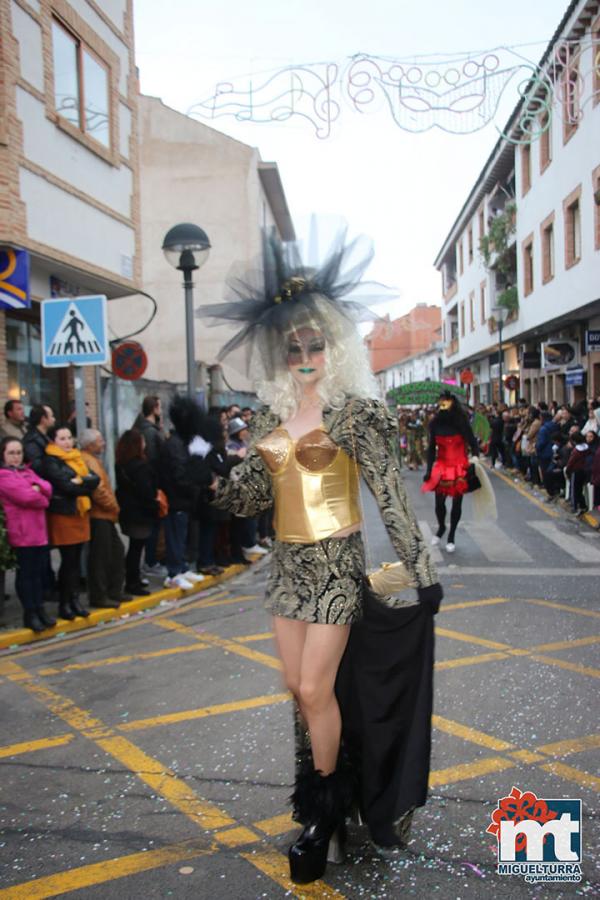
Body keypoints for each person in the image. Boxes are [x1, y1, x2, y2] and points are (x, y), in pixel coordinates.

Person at [200, 233, 442, 884]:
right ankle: (318, 802)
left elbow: (391, 494)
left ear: (333, 347)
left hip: (337, 565)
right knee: (300, 696)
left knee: (314, 686)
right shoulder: (269, 418)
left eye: (315, 346)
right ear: (281, 356)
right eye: (294, 349)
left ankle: (326, 811)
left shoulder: (358, 413)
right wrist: (220, 480)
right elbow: (251, 498)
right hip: (286, 572)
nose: (305, 357)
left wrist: (421, 572)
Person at [41, 425, 99, 620]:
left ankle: (74, 600)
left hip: (79, 513)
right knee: (68, 561)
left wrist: (79, 481)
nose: (67, 442)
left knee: (75, 562)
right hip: (63, 514)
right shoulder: (51, 460)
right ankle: (65, 604)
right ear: (53, 441)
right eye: (62, 439)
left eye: (69, 438)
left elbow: (95, 480)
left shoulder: (77, 457)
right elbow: (65, 486)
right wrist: (82, 482)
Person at [0, 437, 54, 631]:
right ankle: (29, 613)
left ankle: (39, 609)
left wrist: (38, 489)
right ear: (3, 455)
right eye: (11, 453)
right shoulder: (4, 476)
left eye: (19, 453)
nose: (16, 457)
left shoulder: (27, 471)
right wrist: (39, 493)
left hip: (39, 532)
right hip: (22, 534)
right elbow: (26, 497)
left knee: (38, 574)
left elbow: (47, 487)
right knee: (27, 576)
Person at [158, 396, 210, 590]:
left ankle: (181, 567)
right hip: (177, 499)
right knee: (175, 537)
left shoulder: (181, 443)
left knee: (182, 535)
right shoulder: (175, 445)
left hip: (185, 500)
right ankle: (174, 572)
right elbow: (180, 475)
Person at [422, 391, 479, 553]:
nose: (444, 405)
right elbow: (432, 448)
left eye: (446, 402)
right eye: (441, 402)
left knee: (456, 502)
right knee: (439, 503)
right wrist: (428, 469)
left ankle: (452, 535)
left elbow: (473, 443)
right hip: (441, 465)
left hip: (459, 466)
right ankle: (441, 527)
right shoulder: (435, 424)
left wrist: (475, 459)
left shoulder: (462, 422)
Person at [80, 428, 126, 609]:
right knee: (101, 557)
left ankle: (113, 591)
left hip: (105, 514)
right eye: (100, 441)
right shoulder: (88, 461)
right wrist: (115, 507)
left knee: (116, 551)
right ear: (91, 445)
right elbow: (99, 491)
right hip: (100, 515)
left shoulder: (93, 460)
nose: (104, 444)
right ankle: (99, 596)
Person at [115, 429, 159, 596]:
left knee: (135, 547)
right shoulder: (141, 467)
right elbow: (146, 491)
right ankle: (132, 582)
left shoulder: (121, 463)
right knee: (136, 548)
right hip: (140, 512)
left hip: (128, 511)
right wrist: (154, 504)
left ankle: (134, 579)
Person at [138, 395, 166, 575]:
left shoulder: (149, 429)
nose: (161, 410)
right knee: (153, 526)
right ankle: (150, 561)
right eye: (160, 407)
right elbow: (155, 459)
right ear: (154, 409)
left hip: (151, 483)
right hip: (152, 484)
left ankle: (152, 560)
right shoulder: (149, 431)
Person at [23, 404, 55, 474]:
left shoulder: (44, 435)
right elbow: (37, 467)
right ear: (43, 419)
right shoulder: (32, 441)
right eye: (52, 416)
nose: (54, 419)